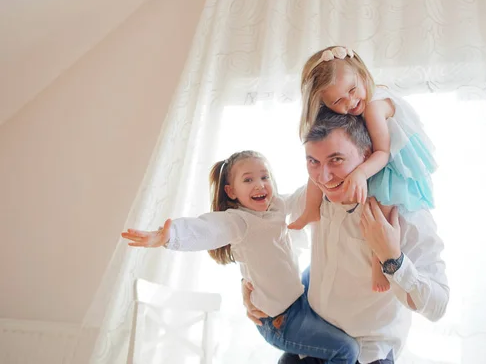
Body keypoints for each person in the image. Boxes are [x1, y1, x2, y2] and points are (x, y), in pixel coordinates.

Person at [244, 110, 449, 364]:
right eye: (313, 162)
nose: (324, 177)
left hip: (368, 356)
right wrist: (251, 286)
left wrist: (392, 259)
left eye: (336, 160)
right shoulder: (315, 196)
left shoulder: (405, 213)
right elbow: (257, 227)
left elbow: (439, 305)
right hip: (311, 346)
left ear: (366, 156)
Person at [121, 150, 359, 363]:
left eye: (265, 177)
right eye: (248, 180)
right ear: (231, 191)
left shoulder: (276, 206)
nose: (260, 185)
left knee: (319, 268)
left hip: (297, 301)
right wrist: (167, 236)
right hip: (279, 321)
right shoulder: (238, 221)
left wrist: (325, 170)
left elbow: (303, 196)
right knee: (346, 350)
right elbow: (207, 229)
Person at [289, 46, 437, 293]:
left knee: (379, 203)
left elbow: (383, 153)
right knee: (317, 170)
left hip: (392, 161)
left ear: (361, 74)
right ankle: (310, 211)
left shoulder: (373, 107)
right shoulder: (349, 111)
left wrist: (359, 173)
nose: (350, 102)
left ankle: (380, 262)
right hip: (372, 155)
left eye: (352, 90)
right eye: (338, 101)